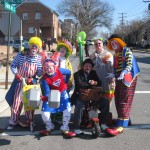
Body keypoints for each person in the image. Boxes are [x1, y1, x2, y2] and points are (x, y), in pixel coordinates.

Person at [106, 34, 140, 135]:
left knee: (124, 100)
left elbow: (129, 63)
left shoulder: (127, 51)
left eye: (115, 42)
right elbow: (116, 67)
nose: (114, 44)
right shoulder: (116, 53)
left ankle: (121, 126)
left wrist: (124, 71)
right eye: (112, 43)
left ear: (120, 42)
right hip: (120, 78)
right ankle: (125, 119)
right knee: (118, 98)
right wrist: (113, 73)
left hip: (128, 78)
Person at [6, 36, 43, 130]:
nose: (34, 48)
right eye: (33, 46)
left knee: (30, 103)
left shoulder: (39, 59)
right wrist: (17, 75)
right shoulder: (21, 55)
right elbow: (13, 65)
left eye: (36, 47)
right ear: (30, 46)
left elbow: (39, 72)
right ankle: (13, 121)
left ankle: (30, 120)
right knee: (17, 102)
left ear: (38, 48)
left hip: (31, 85)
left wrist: (34, 77)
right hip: (20, 82)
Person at [71, 58, 113, 135]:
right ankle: (76, 127)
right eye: (86, 66)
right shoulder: (77, 74)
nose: (88, 67)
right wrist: (90, 84)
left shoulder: (93, 73)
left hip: (93, 96)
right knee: (79, 106)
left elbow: (99, 83)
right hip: (80, 96)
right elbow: (80, 84)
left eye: (89, 66)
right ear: (83, 66)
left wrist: (95, 82)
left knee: (105, 102)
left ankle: (103, 123)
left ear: (92, 67)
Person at [39, 59, 76, 137]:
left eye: (50, 67)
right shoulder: (44, 79)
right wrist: (45, 98)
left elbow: (68, 72)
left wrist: (66, 81)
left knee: (67, 110)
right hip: (52, 96)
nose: (48, 70)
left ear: (54, 67)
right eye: (46, 68)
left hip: (62, 93)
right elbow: (47, 92)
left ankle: (65, 127)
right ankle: (49, 126)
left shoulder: (60, 70)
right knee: (44, 113)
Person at [90, 38, 115, 104]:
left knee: (107, 99)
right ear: (94, 45)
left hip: (106, 79)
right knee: (96, 97)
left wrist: (112, 78)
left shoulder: (108, 55)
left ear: (102, 44)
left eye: (99, 43)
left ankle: (106, 112)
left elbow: (112, 67)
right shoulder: (91, 56)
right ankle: (96, 113)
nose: (98, 45)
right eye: (96, 44)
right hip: (96, 79)